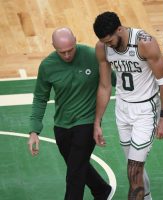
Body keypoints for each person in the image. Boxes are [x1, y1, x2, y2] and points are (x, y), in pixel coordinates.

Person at [93, 11, 163, 200]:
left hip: (146, 110)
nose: (107, 45)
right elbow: (104, 86)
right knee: (134, 165)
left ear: (119, 29)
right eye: (104, 42)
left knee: (134, 170)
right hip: (122, 108)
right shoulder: (102, 48)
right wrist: (97, 122)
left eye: (110, 40)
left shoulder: (144, 43)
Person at [27, 27, 113, 200]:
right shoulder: (47, 66)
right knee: (78, 165)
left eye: (70, 50)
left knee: (74, 173)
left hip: (87, 122)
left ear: (75, 41)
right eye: (62, 52)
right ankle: (101, 189)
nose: (67, 56)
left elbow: (113, 80)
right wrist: (34, 130)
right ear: (53, 47)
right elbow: (40, 98)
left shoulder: (93, 55)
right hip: (62, 125)